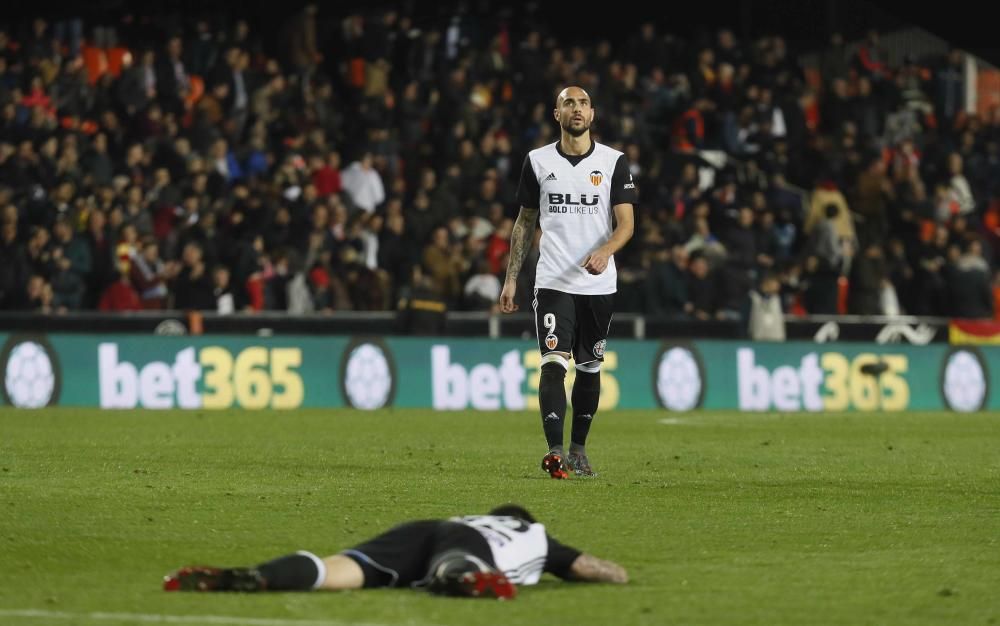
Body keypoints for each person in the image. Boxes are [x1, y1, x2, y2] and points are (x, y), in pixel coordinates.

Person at [499, 85, 637, 479]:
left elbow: (626, 224)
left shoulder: (614, 162)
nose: (576, 109)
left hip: (598, 285)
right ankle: (555, 451)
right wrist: (511, 280)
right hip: (554, 280)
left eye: (583, 103)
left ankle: (579, 449)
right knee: (554, 364)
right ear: (556, 114)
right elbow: (525, 222)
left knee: (590, 366)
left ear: (592, 114)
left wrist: (606, 251)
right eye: (568, 103)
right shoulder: (537, 161)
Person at [163, 504, 627, 599]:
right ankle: (460, 579)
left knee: (341, 570)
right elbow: (592, 569)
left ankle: (258, 575)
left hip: (426, 528)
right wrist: (620, 573)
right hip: (467, 547)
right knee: (457, 564)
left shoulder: (474, 516)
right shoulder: (536, 536)